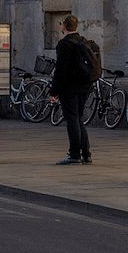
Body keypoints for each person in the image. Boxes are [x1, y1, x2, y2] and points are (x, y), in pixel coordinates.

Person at [51, 15, 97, 165]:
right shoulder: (83, 41)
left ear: (63, 27)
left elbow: (60, 70)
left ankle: (74, 154)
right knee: (79, 119)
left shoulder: (65, 44)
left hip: (69, 88)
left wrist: (54, 91)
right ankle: (86, 154)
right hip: (84, 87)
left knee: (72, 120)